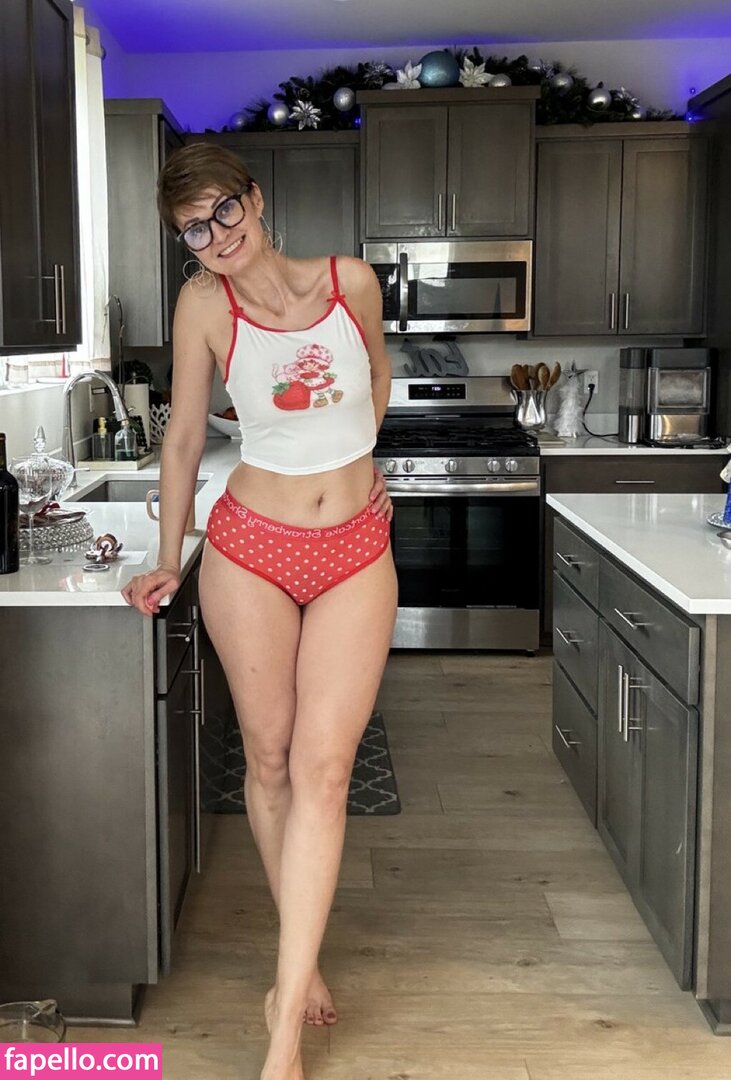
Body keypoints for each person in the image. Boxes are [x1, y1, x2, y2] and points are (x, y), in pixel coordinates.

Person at [121, 142, 397, 1080]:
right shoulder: (204, 305)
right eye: (193, 229)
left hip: (355, 546)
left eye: (223, 211)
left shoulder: (350, 283)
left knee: (326, 769)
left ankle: (283, 1029)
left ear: (256, 198)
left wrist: (360, 462)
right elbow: (183, 437)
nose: (215, 237)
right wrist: (169, 557)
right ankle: (298, 965)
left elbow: (377, 379)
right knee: (270, 760)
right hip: (250, 548)